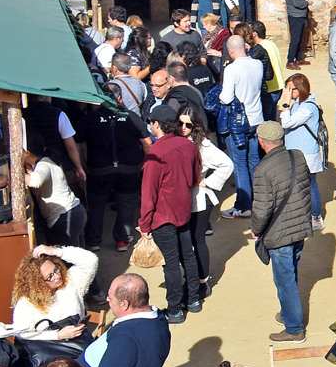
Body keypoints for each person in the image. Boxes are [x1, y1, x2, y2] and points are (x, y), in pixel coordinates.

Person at [138, 104, 202, 324]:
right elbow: (195, 177)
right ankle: (193, 300)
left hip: (162, 217)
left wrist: (144, 225)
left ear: (156, 124)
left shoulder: (155, 154)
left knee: (171, 263)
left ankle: (175, 310)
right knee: (188, 255)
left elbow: (148, 194)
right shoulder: (188, 145)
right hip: (184, 212)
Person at [252, 120, 314, 343]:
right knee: (291, 273)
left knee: (284, 280)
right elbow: (306, 188)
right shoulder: (296, 155)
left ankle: (294, 328)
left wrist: (256, 231)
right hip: (299, 227)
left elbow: (261, 210)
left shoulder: (262, 169)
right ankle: (289, 314)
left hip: (279, 234)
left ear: (261, 141)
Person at [92, 274, 172, 367]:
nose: (107, 300)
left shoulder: (127, 339)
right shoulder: (157, 317)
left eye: (110, 297)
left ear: (124, 304)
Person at [76, 91, 145, 252]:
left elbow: (76, 142)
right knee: (126, 204)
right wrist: (145, 164)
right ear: (119, 98)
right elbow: (147, 142)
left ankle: (93, 241)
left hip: (99, 169)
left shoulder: (90, 118)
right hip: (129, 169)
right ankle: (122, 240)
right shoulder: (131, 117)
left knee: (96, 205)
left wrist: (82, 164)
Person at [177, 108, 232, 291]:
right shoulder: (174, 141)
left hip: (199, 200)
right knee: (184, 240)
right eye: (180, 123)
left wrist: (206, 182)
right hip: (180, 200)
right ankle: (191, 278)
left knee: (197, 239)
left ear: (196, 127)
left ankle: (202, 281)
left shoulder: (203, 145)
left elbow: (227, 164)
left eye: (188, 125)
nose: (183, 127)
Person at [11, 245, 96, 343]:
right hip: (47, 351)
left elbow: (91, 260)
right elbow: (22, 335)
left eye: (55, 269)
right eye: (49, 276)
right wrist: (57, 335)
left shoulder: (70, 282)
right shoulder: (26, 302)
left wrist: (57, 252)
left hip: (78, 344)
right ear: (38, 283)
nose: (57, 276)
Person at [219, 36, 264, 217]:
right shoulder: (257, 64)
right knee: (254, 162)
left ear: (230, 51)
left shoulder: (232, 69)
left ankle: (243, 207)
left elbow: (226, 98)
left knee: (239, 165)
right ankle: (259, 203)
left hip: (238, 123)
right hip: (256, 119)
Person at [278, 74, 325, 229]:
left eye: (291, 88)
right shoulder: (298, 104)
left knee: (310, 185)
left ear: (300, 89)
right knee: (297, 185)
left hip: (306, 154)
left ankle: (316, 218)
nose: (288, 92)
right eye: (287, 88)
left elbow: (287, 123)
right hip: (295, 152)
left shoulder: (307, 107)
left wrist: (285, 104)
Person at [24, 149, 86, 248]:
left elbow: (34, 181)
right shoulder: (46, 162)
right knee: (79, 255)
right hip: (73, 212)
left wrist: (15, 173)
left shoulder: (44, 163)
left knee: (69, 259)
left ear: (27, 152)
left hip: (65, 216)